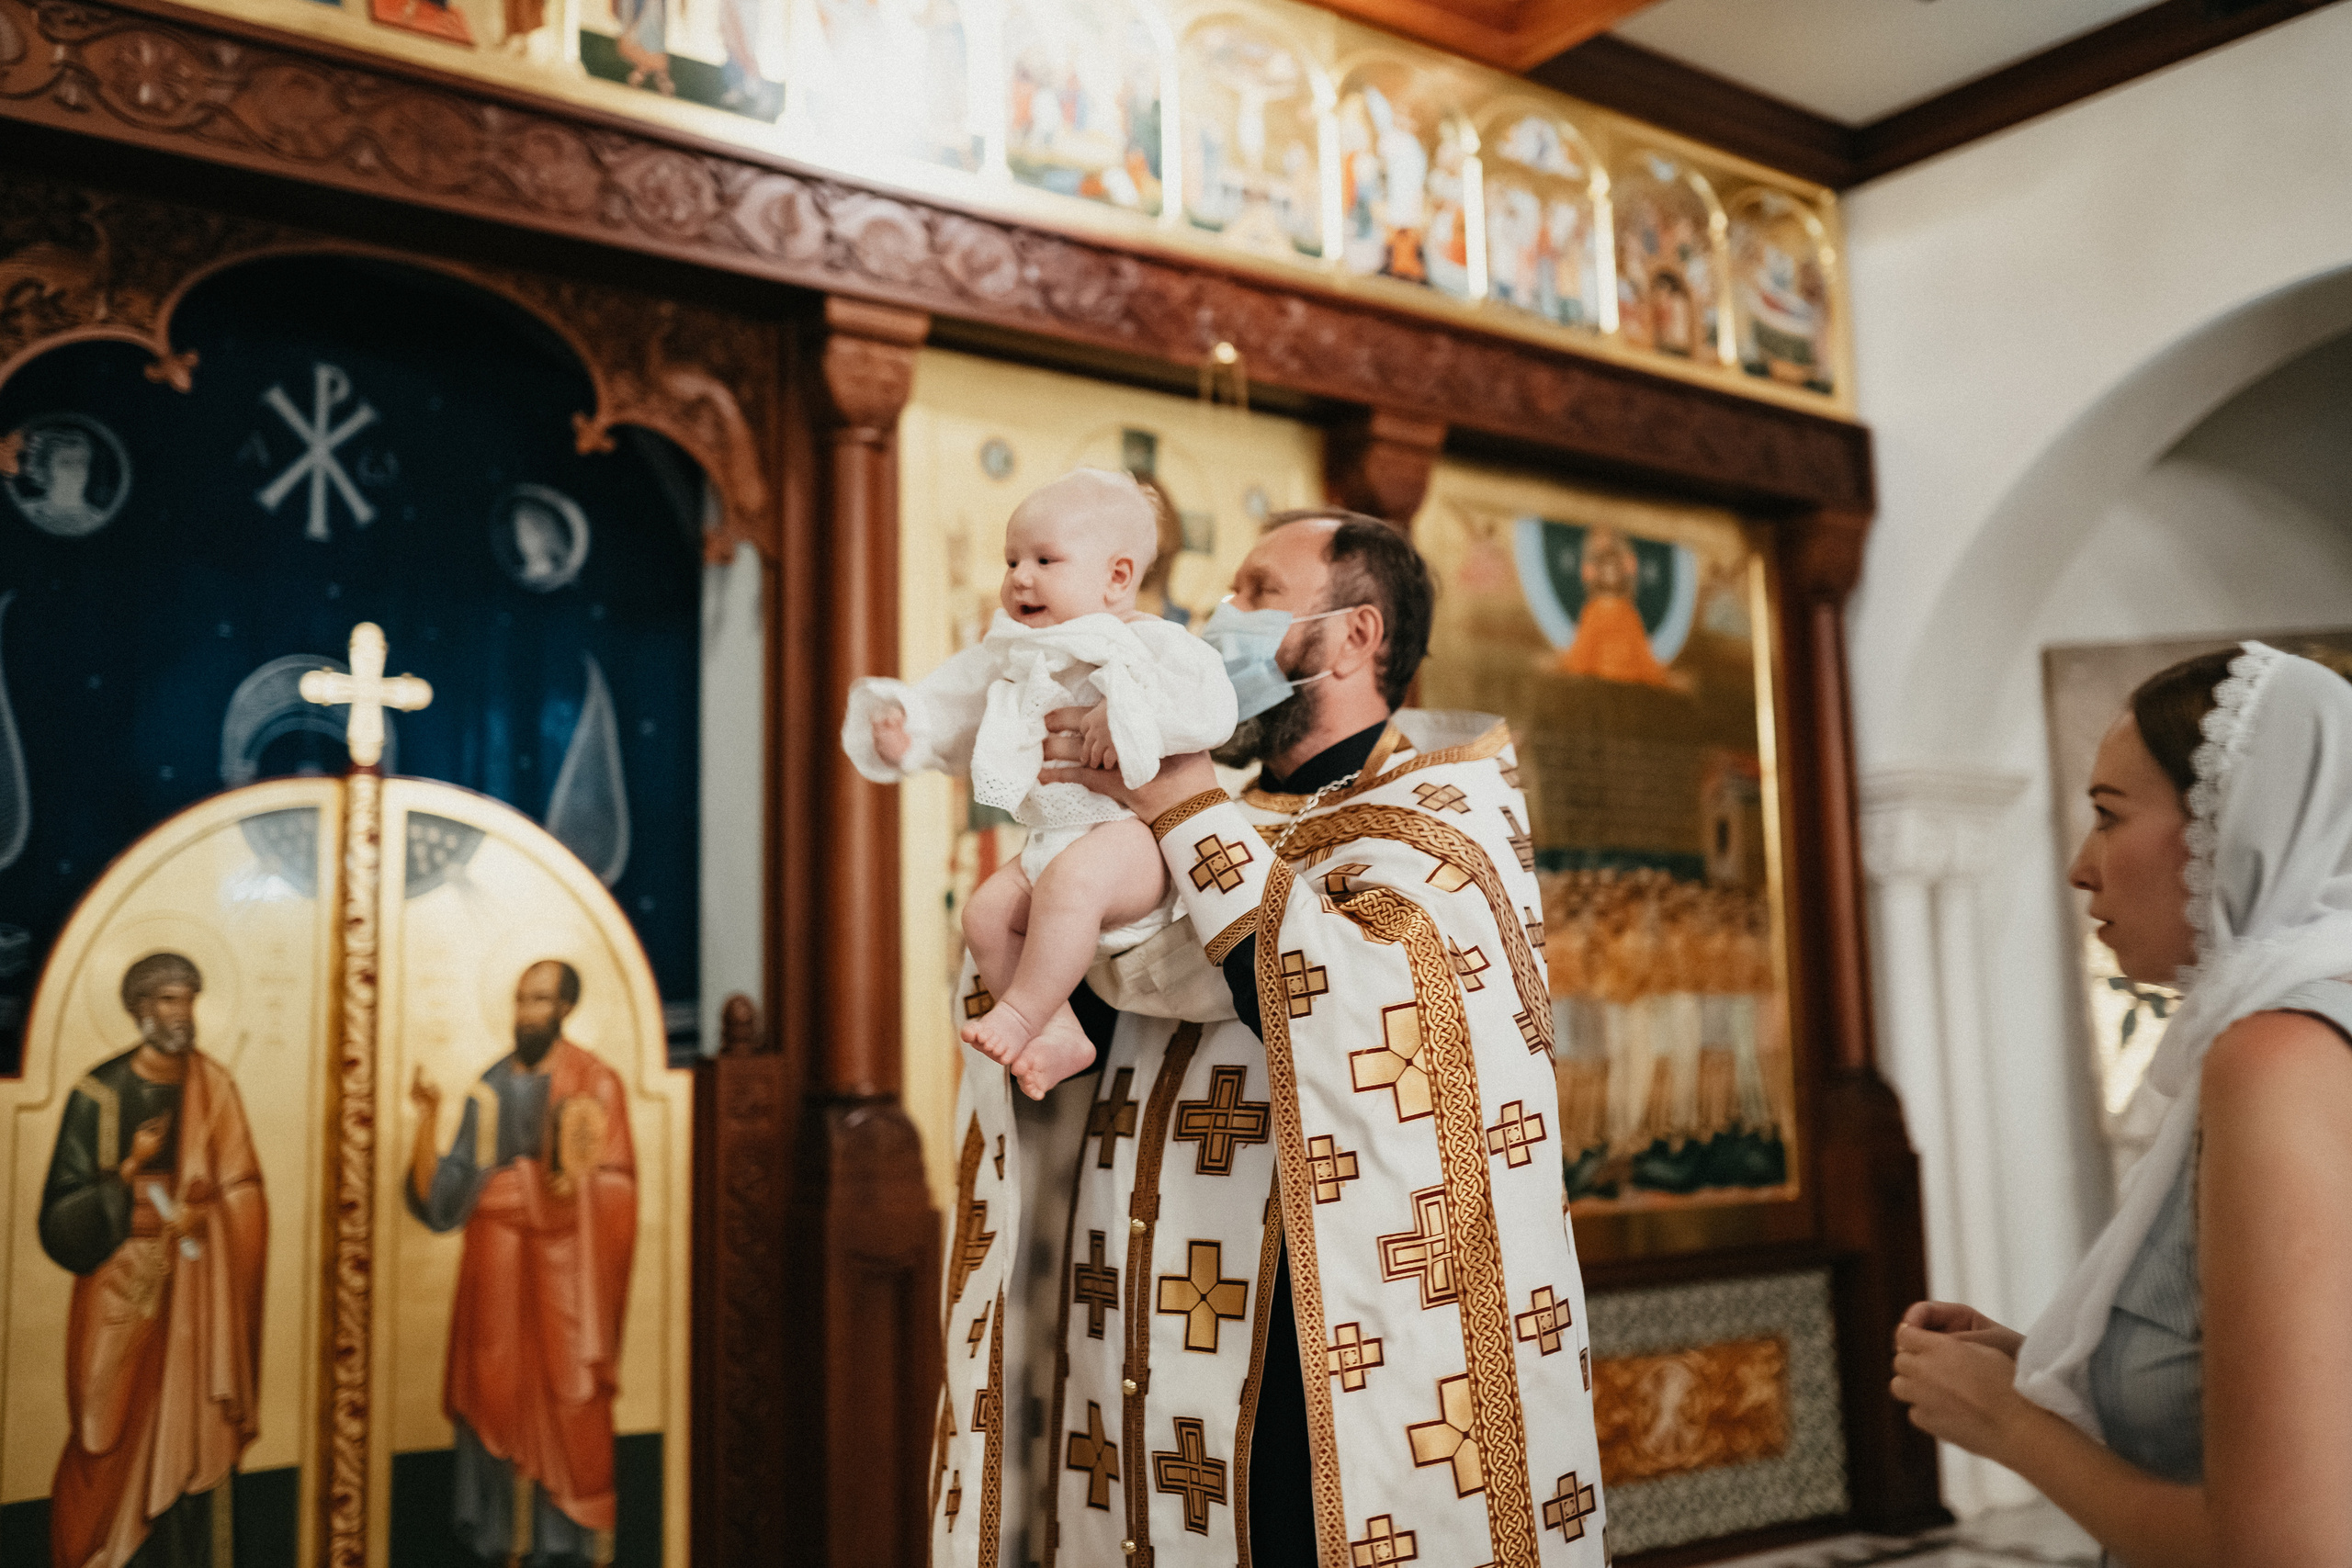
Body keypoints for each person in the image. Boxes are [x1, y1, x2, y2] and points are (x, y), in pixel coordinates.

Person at [929, 508, 1606, 1567]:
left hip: (1333, 1328)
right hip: (1143, 1307)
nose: (1215, 619)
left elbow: (1362, 1018)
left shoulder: (1442, 812)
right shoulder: (1194, 814)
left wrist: (1183, 807)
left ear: (1353, 637)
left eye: (1254, 593)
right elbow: (1090, 1022)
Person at [1890, 644, 2352, 1566]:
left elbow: (2284, 1552)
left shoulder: (2276, 1055)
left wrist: (2009, 1427)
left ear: (2236, 825)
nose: (2079, 867)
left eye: (2106, 817)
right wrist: (2048, 1364)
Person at [842, 468, 1235, 1097]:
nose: (1020, 576)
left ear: (1117, 576)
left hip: (1132, 841)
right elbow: (957, 705)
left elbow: (1211, 705)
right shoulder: (1015, 653)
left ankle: (1023, 1010)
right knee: (985, 915)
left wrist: (1130, 711)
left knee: (1074, 882)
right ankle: (1057, 1030)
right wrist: (909, 730)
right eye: (1011, 560)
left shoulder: (1148, 644)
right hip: (1053, 840)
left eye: (1045, 559)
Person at [408, 959, 638, 1568]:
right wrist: (428, 1119)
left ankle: (562, 1544)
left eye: (539, 1000)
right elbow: (452, 1189)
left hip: (567, 1280)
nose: (525, 1013)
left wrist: (531, 1190)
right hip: (497, 1271)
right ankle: (495, 1538)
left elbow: (615, 1185)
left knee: (566, 1397)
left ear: (564, 1008)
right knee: (494, 1392)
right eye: (520, 1000)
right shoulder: (489, 1084)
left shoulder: (596, 1081)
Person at [41, 951, 268, 1568]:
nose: (180, 1013)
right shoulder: (98, 1093)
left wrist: (212, 1214)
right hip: (120, 1289)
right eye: (167, 999)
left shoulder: (215, 1085)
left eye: (187, 998)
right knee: (103, 1431)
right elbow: (58, 1220)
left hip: (200, 1287)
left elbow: (244, 1186)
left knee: (195, 1434)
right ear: (140, 1007)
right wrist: (126, 1180)